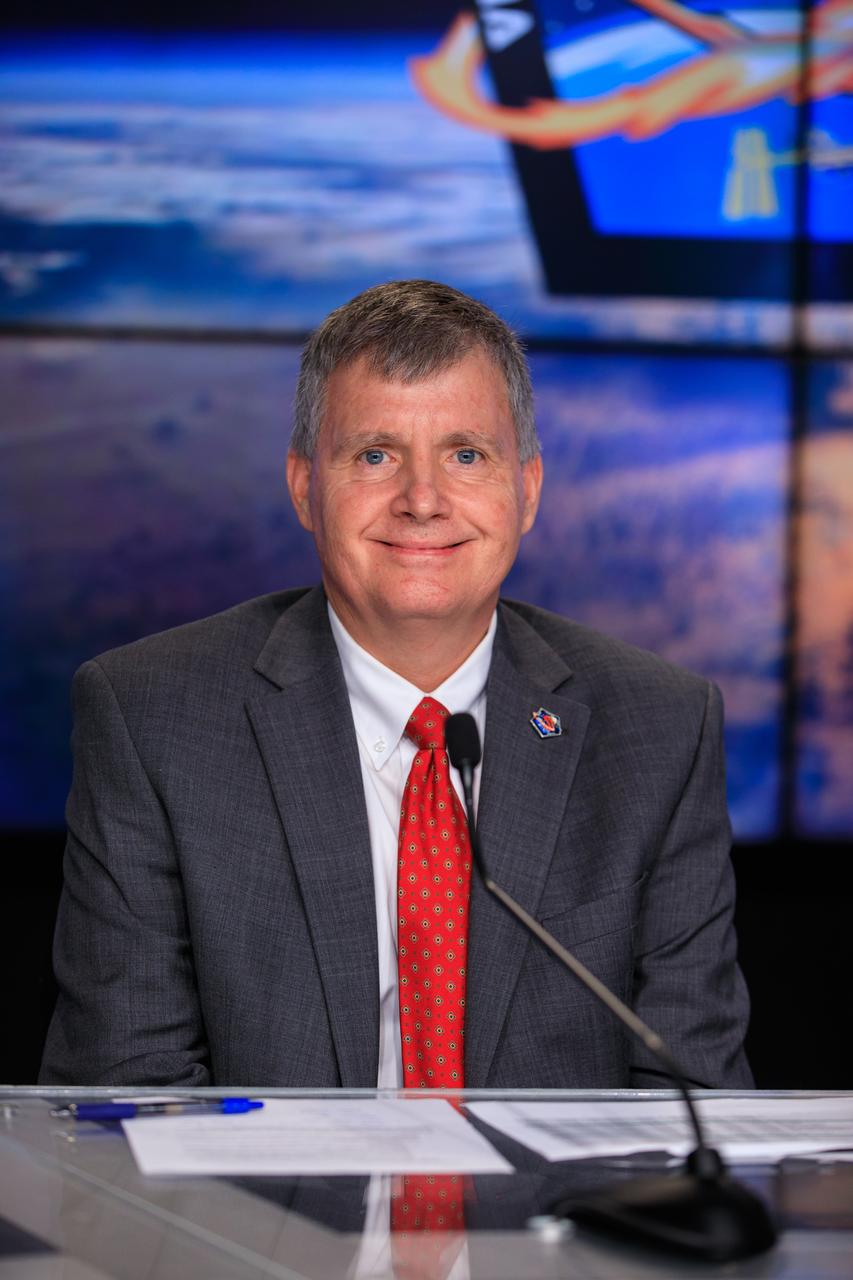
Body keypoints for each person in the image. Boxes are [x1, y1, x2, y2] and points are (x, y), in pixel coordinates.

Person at [40, 279, 752, 1089]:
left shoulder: (660, 727)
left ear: (527, 489)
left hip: (566, 1218)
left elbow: (690, 1095)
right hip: (257, 1214)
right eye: (375, 455)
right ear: (306, 487)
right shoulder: (153, 714)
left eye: (465, 455)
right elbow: (128, 1091)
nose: (421, 501)